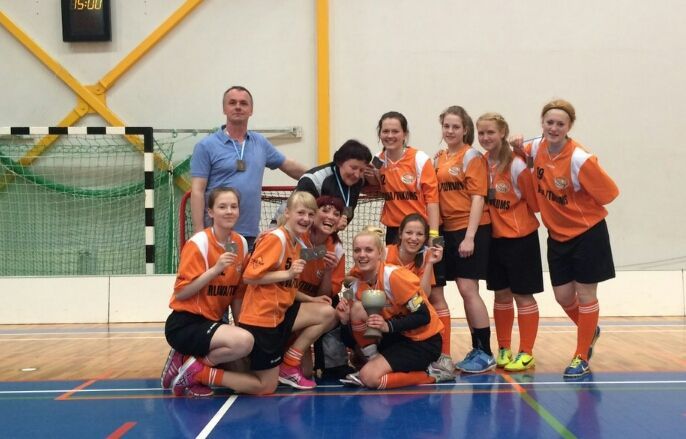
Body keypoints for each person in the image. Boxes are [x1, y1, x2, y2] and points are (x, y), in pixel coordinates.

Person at [511, 99, 618, 378]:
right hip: (557, 236)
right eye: (550, 122)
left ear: (569, 126)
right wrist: (515, 144)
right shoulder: (536, 147)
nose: (554, 128)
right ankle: (589, 330)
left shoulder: (580, 159)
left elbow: (609, 193)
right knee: (563, 297)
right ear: (542, 123)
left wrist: (578, 198)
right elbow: (514, 151)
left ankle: (581, 356)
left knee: (586, 294)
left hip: (587, 234)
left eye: (560, 124)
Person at [161, 187, 254, 397]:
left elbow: (237, 294)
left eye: (233, 207)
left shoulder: (240, 244)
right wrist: (215, 270)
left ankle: (189, 365)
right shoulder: (199, 243)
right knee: (244, 342)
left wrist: (240, 325)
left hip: (213, 323)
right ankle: (192, 367)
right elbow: (181, 293)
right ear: (210, 212)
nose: (229, 211)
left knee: (244, 364)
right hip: (186, 323)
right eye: (222, 207)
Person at [335, 228, 453, 389]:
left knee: (369, 378)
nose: (362, 255)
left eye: (368, 250)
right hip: (396, 337)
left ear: (380, 254)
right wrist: (344, 319)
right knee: (356, 310)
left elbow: (423, 316)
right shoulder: (356, 284)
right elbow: (350, 335)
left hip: (423, 341)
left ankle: (431, 374)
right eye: (357, 250)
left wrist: (387, 326)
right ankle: (373, 360)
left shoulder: (394, 276)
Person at [190, 85, 307, 249]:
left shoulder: (260, 143)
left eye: (243, 103)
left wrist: (321, 175)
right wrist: (199, 232)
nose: (238, 107)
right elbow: (197, 190)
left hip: (250, 236)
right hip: (217, 234)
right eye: (232, 103)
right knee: (222, 267)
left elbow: (289, 165)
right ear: (224, 109)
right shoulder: (206, 146)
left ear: (251, 110)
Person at [476, 112, 543, 372]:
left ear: (503, 132)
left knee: (522, 296)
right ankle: (504, 348)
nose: (485, 137)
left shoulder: (516, 164)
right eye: (481, 133)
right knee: (501, 294)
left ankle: (526, 352)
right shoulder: (481, 162)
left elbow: (535, 203)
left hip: (521, 239)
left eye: (490, 132)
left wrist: (528, 159)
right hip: (494, 240)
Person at [434, 105, 495, 373]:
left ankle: (485, 351)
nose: (450, 131)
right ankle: (476, 349)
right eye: (446, 126)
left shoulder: (472, 156)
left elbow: (478, 198)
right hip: (448, 230)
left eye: (455, 127)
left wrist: (469, 237)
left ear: (465, 129)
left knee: (468, 289)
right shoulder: (440, 158)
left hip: (471, 229)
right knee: (463, 290)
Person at [384, 214, 452, 374]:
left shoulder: (424, 257)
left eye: (419, 234)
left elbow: (424, 295)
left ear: (425, 238)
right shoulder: (385, 254)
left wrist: (429, 263)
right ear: (400, 234)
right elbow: (352, 279)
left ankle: (442, 357)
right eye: (409, 233)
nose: (414, 238)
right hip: (388, 315)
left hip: (409, 319)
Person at [294, 195, 350, 378]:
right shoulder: (296, 236)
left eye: (336, 214)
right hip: (285, 301)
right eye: (325, 210)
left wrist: (327, 271)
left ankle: (326, 362)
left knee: (306, 373)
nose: (330, 216)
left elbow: (325, 296)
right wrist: (316, 254)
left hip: (310, 305)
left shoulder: (337, 249)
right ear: (313, 214)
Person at [369, 111, 440, 244]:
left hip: (418, 229)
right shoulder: (377, 160)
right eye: (385, 131)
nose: (390, 136)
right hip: (393, 230)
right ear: (380, 134)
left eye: (395, 131)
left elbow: (432, 200)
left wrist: (434, 235)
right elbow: (374, 185)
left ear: (405, 134)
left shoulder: (420, 159)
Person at [295, 140, 373, 230]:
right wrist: (333, 224)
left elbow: (348, 208)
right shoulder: (312, 180)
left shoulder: (358, 180)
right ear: (339, 162)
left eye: (362, 170)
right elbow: (300, 219)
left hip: (326, 234)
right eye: (353, 168)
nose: (357, 175)